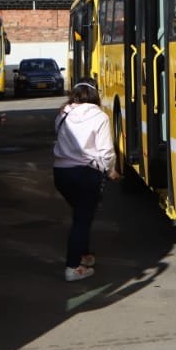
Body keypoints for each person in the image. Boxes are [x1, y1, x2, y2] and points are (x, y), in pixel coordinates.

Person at [53, 78, 116, 281]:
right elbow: (106, 151)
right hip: (87, 174)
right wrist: (110, 170)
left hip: (61, 173)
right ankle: (72, 267)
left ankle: (85, 255)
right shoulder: (100, 117)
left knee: (81, 214)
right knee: (82, 219)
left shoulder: (63, 114)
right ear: (95, 94)